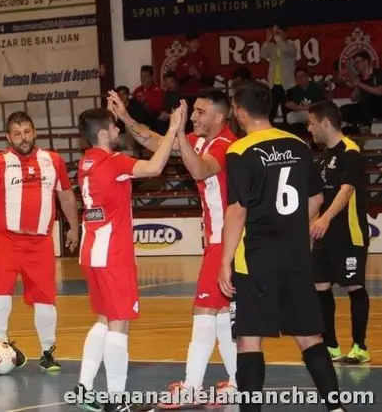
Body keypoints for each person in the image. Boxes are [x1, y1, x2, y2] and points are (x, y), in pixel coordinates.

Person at [219, 81, 347, 412]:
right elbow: (316, 198)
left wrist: (224, 261)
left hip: (256, 259)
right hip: (295, 256)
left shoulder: (239, 150)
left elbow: (237, 210)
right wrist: (291, 229)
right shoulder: (298, 144)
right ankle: (335, 407)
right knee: (309, 336)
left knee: (249, 339)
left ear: (240, 112)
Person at [112, 89, 239, 406]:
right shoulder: (202, 141)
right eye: (192, 111)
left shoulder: (226, 145)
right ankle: (238, 381)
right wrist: (126, 117)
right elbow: (158, 143)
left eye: (200, 112)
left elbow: (199, 170)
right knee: (221, 314)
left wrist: (179, 132)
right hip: (220, 239)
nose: (194, 116)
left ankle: (192, 386)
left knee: (204, 312)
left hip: (226, 239)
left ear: (220, 117)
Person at [72, 100, 185, 412]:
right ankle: (116, 400)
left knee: (104, 320)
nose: (117, 129)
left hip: (91, 251)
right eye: (114, 126)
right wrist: (173, 129)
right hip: (113, 254)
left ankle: (84, 387)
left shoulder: (85, 163)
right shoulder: (113, 162)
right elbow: (155, 167)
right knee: (119, 325)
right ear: (103, 134)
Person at [0, 111, 80, 372]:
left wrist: (74, 228)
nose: (24, 138)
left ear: (35, 132)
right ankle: (2, 343)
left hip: (40, 243)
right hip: (5, 240)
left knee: (45, 299)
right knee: (0, 292)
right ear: (8, 137)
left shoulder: (53, 160)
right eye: (17, 134)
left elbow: (66, 196)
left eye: (27, 132)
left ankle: (47, 352)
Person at [307, 101, 371, 364]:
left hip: (348, 233)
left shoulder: (350, 151)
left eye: (311, 123)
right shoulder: (324, 156)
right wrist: (309, 224)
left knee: (354, 285)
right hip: (324, 235)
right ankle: (331, 345)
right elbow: (318, 196)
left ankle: (360, 347)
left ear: (325, 122)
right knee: (319, 285)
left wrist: (325, 219)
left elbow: (346, 190)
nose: (309, 128)